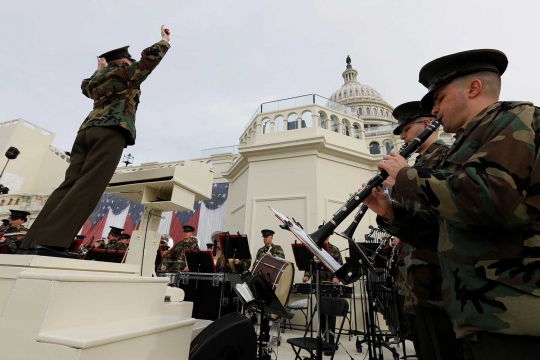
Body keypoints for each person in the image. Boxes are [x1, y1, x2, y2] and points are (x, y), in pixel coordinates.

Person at [364, 49, 540, 359]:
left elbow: (490, 198)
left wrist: (406, 178)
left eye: (440, 97)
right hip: (477, 314)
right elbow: (445, 231)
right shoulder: (466, 141)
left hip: (515, 314)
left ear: (473, 88)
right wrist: (392, 213)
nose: (434, 109)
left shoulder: (515, 117)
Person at [18, 25, 172, 258]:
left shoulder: (96, 80)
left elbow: (85, 87)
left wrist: (99, 68)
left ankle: (32, 242)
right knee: (89, 185)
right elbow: (148, 62)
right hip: (111, 130)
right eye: (128, 60)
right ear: (122, 62)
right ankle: (52, 243)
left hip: (86, 132)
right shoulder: (125, 74)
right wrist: (164, 42)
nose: (131, 63)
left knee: (68, 184)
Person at [386, 101, 462, 360]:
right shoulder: (412, 166)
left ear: (427, 125)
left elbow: (443, 213)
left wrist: (403, 179)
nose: (404, 136)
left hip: (436, 280)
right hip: (413, 279)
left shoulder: (447, 157)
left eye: (407, 129)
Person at [302, 226, 343, 356]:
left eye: (326, 235)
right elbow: (310, 265)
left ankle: (330, 343)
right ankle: (321, 341)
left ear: (329, 236)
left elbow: (340, 267)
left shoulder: (334, 250)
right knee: (320, 313)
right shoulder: (315, 249)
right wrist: (307, 275)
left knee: (330, 315)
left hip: (330, 286)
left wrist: (336, 277)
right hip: (318, 285)